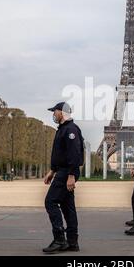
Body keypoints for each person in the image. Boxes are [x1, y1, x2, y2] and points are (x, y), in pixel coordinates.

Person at [42, 102, 85, 253]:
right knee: (67, 206)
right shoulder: (64, 129)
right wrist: (52, 171)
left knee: (50, 201)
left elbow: (74, 154)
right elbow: (60, 154)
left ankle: (60, 239)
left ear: (62, 112)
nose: (53, 114)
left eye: (55, 111)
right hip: (63, 170)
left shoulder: (70, 129)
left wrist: (71, 175)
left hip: (67, 171)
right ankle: (72, 242)